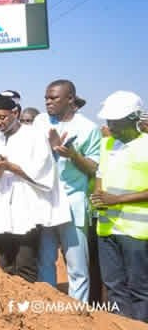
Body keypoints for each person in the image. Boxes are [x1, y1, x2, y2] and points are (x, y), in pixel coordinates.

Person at [0, 91, 70, 283]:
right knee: (5, 264)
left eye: (2, 117)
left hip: (26, 209)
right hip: (1, 205)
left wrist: (10, 167)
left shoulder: (34, 136)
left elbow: (43, 172)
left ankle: (28, 309)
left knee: (25, 264)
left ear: (15, 113)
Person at [34, 80, 101, 303]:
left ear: (70, 98)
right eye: (46, 98)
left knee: (77, 266)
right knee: (45, 260)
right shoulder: (40, 122)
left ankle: (77, 316)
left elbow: (94, 168)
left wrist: (73, 156)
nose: (48, 102)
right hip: (45, 202)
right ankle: (49, 311)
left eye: (53, 98)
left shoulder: (88, 128)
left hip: (73, 202)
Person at [90, 91, 148, 322]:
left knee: (139, 288)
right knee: (114, 286)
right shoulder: (107, 144)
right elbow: (100, 176)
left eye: (117, 120)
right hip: (107, 228)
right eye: (109, 120)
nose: (110, 125)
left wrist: (118, 200)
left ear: (134, 118)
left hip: (136, 231)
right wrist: (97, 194)